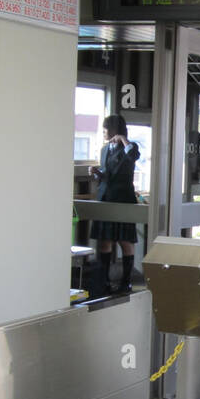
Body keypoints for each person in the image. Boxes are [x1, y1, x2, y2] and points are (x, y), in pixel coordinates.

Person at [89, 114, 140, 292]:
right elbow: (107, 175)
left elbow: (134, 155)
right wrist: (97, 173)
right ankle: (105, 281)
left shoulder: (129, 146)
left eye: (106, 129)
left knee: (125, 242)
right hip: (106, 198)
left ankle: (126, 281)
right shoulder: (104, 150)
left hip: (123, 199)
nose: (104, 133)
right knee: (105, 241)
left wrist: (123, 139)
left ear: (115, 130)